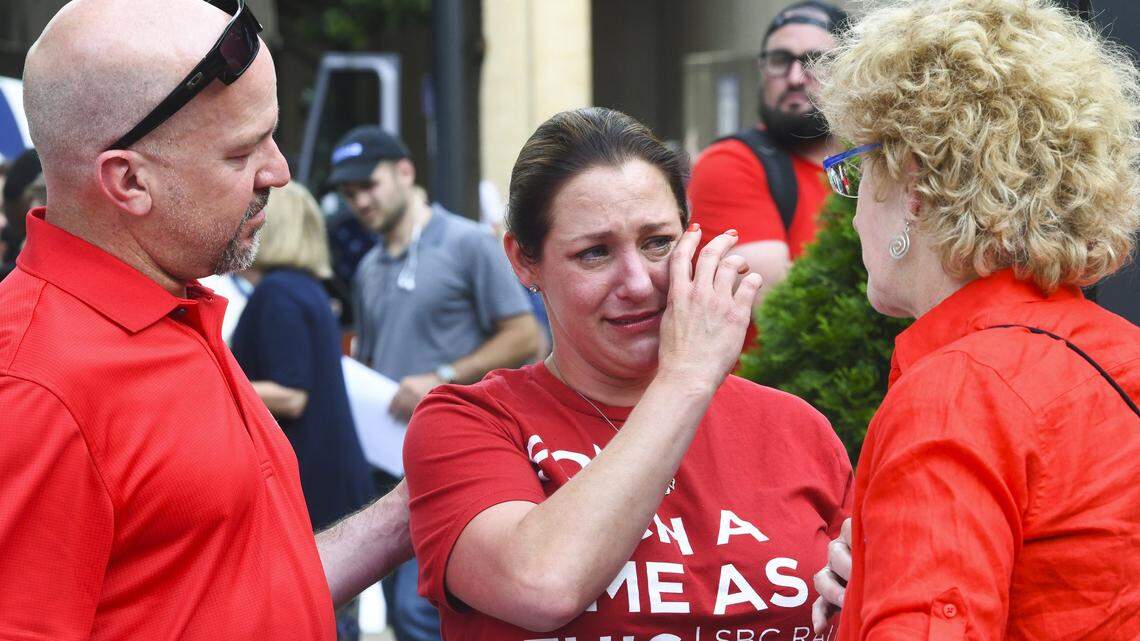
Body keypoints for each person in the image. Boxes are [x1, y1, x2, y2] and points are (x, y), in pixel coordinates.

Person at [0, 1, 410, 637]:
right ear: (129, 181)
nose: (280, 171)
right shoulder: (35, 388)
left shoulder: (175, 306)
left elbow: (238, 593)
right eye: (241, 151)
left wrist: (419, 505)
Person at [403, 107, 853, 640]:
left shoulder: (793, 427)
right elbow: (542, 584)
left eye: (658, 242)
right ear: (524, 261)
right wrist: (686, 378)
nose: (638, 283)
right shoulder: (471, 422)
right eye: (595, 253)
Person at [810, 0, 1140, 638]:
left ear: (912, 187)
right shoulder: (1119, 351)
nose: (851, 216)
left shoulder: (958, 394)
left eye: (855, 170)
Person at [329, 125, 541, 641]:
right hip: (391, 458)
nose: (360, 201)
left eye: (369, 185)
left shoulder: (468, 242)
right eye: (349, 192)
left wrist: (442, 378)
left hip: (465, 455)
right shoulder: (370, 266)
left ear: (405, 172)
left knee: (425, 610)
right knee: (407, 612)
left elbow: (525, 336)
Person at [688, 1, 847, 330]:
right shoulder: (731, 164)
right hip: (774, 378)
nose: (794, 77)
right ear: (763, 71)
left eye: (815, 61)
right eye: (779, 61)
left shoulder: (873, 163)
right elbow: (782, 311)